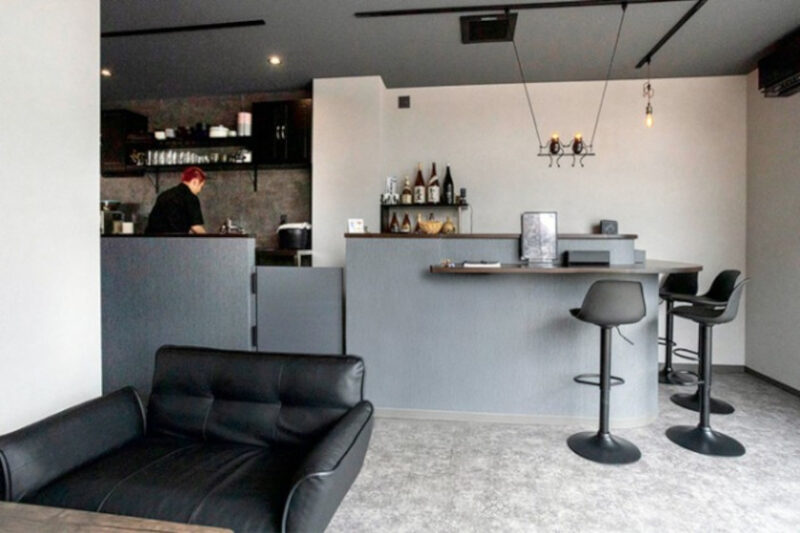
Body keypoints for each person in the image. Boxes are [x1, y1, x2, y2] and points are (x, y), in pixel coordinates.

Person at [145, 167, 207, 234]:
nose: (199, 190)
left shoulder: (164, 195)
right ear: (195, 181)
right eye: (201, 186)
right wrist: (208, 238)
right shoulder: (191, 198)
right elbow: (196, 227)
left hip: (151, 238)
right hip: (175, 240)